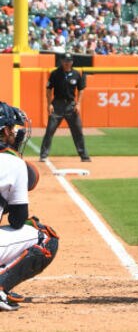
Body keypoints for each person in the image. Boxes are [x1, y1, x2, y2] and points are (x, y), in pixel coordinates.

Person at [0, 102, 59, 309]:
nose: (15, 132)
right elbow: (17, 220)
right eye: (12, 128)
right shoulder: (13, 163)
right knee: (45, 237)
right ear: (4, 131)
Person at [38, 53, 90, 162]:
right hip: (57, 105)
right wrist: (49, 104)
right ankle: (43, 155)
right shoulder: (55, 73)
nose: (67, 63)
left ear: (72, 62)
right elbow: (49, 89)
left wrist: (78, 104)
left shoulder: (76, 74)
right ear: (62, 61)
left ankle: (84, 156)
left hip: (71, 105)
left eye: (69, 61)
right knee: (50, 130)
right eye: (65, 61)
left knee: (78, 131)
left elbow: (81, 89)